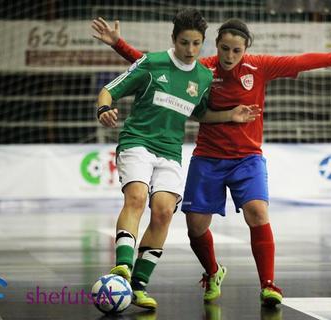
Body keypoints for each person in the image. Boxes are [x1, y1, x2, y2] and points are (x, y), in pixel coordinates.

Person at [93, 16, 331, 307]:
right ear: (216, 46)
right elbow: (157, 66)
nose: (229, 56)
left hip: (246, 158)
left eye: (236, 50)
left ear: (246, 48)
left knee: (257, 213)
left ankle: (268, 285)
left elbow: (301, 61)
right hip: (207, 157)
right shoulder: (204, 67)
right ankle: (212, 272)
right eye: (224, 48)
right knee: (195, 227)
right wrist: (118, 45)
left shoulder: (259, 66)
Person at [94, 9, 259, 310]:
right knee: (137, 197)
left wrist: (230, 116)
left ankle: (138, 285)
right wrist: (104, 110)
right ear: (174, 40)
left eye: (196, 44)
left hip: (170, 151)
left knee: (164, 213)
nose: (190, 50)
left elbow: (201, 114)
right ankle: (122, 267)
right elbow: (109, 90)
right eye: (184, 43)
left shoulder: (204, 76)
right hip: (138, 142)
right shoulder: (152, 63)